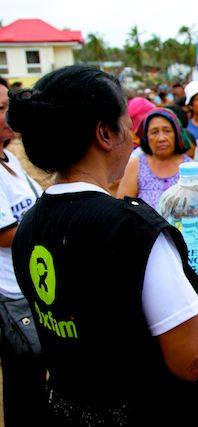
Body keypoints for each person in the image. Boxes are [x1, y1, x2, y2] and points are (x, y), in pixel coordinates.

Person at [7, 65, 198, 425]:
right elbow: (192, 359)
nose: (133, 137)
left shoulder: (29, 225)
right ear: (105, 133)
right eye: (127, 124)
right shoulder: (133, 231)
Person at [0, 76, 47, 426]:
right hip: (9, 292)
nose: (8, 114)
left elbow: (38, 201)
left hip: (27, 283)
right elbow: (4, 233)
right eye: (1, 109)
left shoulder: (9, 157)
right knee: (22, 379)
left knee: (35, 375)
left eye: (7, 105)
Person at [117, 109, 192, 209]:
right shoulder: (135, 165)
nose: (161, 138)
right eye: (154, 132)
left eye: (167, 131)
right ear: (146, 137)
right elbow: (123, 207)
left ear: (176, 134)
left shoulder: (190, 166)